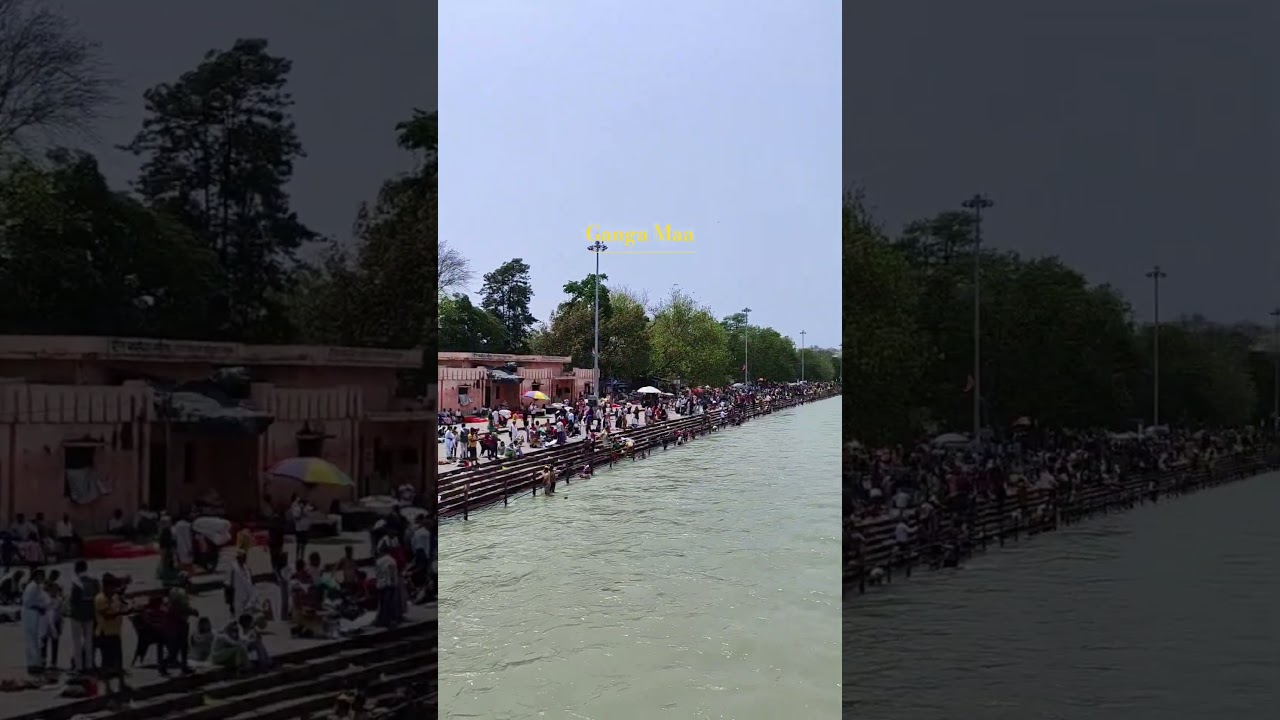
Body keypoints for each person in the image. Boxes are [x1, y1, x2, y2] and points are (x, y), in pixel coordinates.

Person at [93, 574, 129, 693]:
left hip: (115, 632)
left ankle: (121, 684)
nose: (113, 589)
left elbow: (122, 605)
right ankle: (107, 687)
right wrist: (120, 612)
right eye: (112, 587)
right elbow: (107, 615)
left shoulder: (114, 597)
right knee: (106, 662)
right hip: (105, 633)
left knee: (118, 660)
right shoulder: (100, 598)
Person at [67, 560, 98, 673]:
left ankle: (79, 667)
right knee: (89, 641)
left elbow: (73, 601)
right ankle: (89, 665)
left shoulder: (76, 582)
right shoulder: (94, 581)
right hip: (90, 614)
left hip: (77, 615)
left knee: (77, 642)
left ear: (76, 569)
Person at [20, 568, 50, 674]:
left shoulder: (38, 587)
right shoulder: (32, 587)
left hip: (35, 615)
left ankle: (36, 664)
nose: (42, 578)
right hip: (30, 614)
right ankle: (32, 665)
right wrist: (39, 608)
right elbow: (27, 603)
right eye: (40, 576)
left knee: (36, 640)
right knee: (31, 640)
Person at [227, 551, 257, 618]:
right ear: (238, 558)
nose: (244, 559)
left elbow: (252, 583)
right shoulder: (233, 568)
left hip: (247, 598)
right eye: (242, 557)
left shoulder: (247, 569)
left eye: (245, 557)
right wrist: (230, 603)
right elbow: (229, 584)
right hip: (238, 598)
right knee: (239, 617)